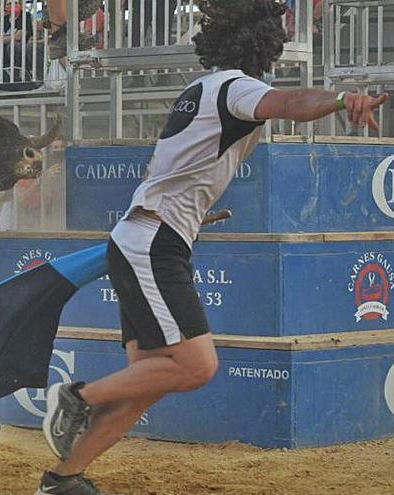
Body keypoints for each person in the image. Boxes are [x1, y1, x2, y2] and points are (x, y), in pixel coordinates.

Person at [36, 2, 389, 494]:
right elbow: (290, 105)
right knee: (196, 365)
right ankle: (76, 396)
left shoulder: (200, 89)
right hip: (154, 244)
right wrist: (343, 98)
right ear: (266, 44)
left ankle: (61, 480)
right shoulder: (237, 88)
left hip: (149, 238)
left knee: (147, 384)